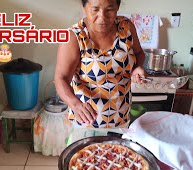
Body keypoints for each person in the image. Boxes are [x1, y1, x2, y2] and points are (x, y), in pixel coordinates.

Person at [54, 0, 146, 129]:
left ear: (117, 7)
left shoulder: (126, 27)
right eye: (95, 9)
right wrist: (75, 104)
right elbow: (60, 78)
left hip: (122, 119)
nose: (102, 17)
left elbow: (139, 53)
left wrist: (136, 68)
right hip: (87, 123)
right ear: (84, 8)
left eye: (109, 10)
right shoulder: (75, 36)